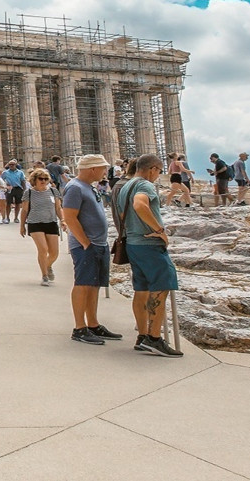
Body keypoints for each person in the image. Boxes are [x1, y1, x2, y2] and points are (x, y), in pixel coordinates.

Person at [115, 153, 183, 357]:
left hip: (133, 244)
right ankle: (154, 338)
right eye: (159, 171)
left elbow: (121, 214)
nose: (158, 175)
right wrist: (159, 230)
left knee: (141, 289)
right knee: (162, 287)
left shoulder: (125, 186)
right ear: (152, 168)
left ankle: (142, 336)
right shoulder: (144, 185)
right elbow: (140, 205)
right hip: (149, 244)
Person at [62, 154, 122, 346]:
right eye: (103, 168)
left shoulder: (89, 187)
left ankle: (93, 324)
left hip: (98, 243)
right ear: (92, 169)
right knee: (83, 284)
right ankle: (79, 328)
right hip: (85, 245)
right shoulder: (75, 187)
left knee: (94, 284)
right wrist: (85, 242)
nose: (106, 171)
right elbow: (69, 217)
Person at [20, 168, 63, 286]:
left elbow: (58, 208)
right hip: (35, 223)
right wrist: (22, 225)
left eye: (45, 179)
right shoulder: (28, 193)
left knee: (54, 253)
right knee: (43, 249)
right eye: (41, 179)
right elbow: (24, 210)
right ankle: (44, 275)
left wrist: (63, 220)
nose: (43, 181)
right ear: (35, 179)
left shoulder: (54, 192)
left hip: (51, 222)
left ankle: (48, 265)